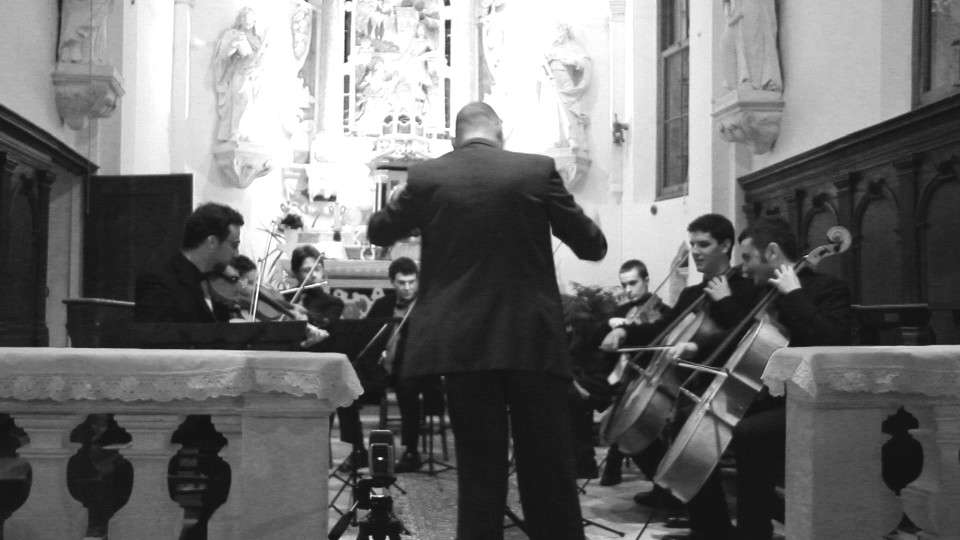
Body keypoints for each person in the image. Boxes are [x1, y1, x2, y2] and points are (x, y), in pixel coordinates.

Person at [367, 101, 607, 540]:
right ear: (500, 131)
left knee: (479, 472)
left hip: (465, 345)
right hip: (532, 339)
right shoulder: (535, 170)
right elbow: (592, 246)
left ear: (454, 137)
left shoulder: (428, 176)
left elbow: (379, 231)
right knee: (549, 470)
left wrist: (407, 201)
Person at [660, 218, 851, 540]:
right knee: (690, 416)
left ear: (772, 252)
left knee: (749, 433)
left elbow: (832, 341)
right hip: (766, 394)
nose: (744, 269)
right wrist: (696, 346)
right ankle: (711, 529)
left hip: (808, 397)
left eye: (748, 258)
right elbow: (742, 333)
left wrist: (794, 294)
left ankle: (754, 532)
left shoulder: (827, 289)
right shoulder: (765, 293)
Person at [600, 214, 758, 511]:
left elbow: (743, 335)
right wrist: (624, 332)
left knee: (681, 416)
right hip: (678, 378)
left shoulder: (745, 288)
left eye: (703, 244)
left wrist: (725, 299)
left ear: (725, 246)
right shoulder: (691, 293)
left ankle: (691, 501)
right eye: (692, 244)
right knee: (630, 423)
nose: (695, 251)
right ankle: (666, 489)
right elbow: (660, 330)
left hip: (717, 380)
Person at [135, 203, 327, 347]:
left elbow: (224, 335)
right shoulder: (160, 281)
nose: (236, 254)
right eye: (234, 245)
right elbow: (155, 341)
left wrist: (293, 331)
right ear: (212, 242)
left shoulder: (217, 281)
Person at [364, 257, 438, 473]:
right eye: (401, 283)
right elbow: (368, 336)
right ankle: (358, 449)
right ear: (392, 282)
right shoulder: (382, 305)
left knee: (408, 390)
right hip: (385, 367)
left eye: (412, 282)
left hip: (416, 368)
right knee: (350, 387)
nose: (407, 288)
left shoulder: (426, 305)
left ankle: (411, 452)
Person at [214, 7, 267, 142]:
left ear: (254, 20)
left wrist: (258, 67)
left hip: (256, 75)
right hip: (240, 71)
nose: (247, 20)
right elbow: (224, 55)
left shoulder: (259, 39)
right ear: (240, 20)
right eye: (244, 17)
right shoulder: (234, 34)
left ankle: (247, 133)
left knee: (252, 105)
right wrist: (233, 44)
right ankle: (235, 133)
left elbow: (264, 58)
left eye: (249, 18)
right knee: (242, 100)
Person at [544, 23, 591, 151]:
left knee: (569, 109)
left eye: (561, 31)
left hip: (566, 82)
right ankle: (558, 138)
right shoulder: (550, 49)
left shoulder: (573, 47)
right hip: (552, 82)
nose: (559, 34)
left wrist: (573, 61)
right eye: (557, 31)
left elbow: (585, 62)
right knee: (554, 109)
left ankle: (573, 138)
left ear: (566, 33)